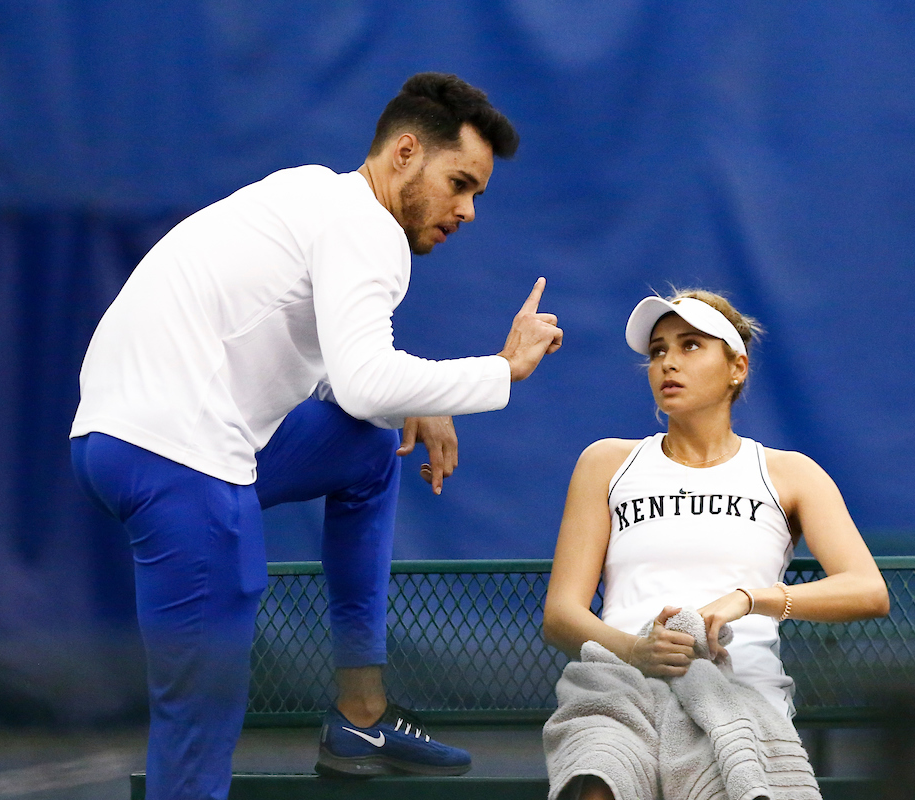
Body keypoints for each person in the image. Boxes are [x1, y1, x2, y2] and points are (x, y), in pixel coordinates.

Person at [69, 73, 562, 799]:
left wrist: (413, 401)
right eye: (460, 184)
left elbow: (328, 367)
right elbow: (366, 380)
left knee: (367, 448)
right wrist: (502, 370)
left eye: (477, 194)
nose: (467, 210)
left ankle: (361, 716)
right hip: (176, 453)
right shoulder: (369, 232)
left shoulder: (316, 192)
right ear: (403, 154)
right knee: (201, 717)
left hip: (118, 438)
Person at [541, 290, 889, 800]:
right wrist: (638, 651)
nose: (668, 363)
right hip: (622, 687)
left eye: (690, 346)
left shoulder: (789, 473)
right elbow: (561, 614)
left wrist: (752, 599)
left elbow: (868, 590)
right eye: (658, 351)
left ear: (737, 368)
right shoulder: (606, 462)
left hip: (739, 695)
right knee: (596, 784)